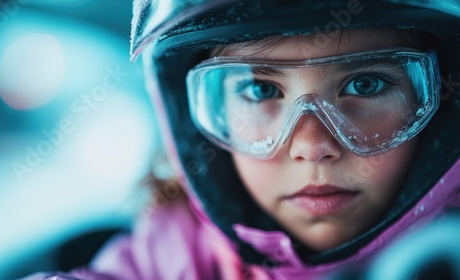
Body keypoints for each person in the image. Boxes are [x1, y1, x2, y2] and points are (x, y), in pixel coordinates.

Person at [26, 0, 460, 279]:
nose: (311, 146)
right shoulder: (173, 256)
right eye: (261, 91)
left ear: (441, 102)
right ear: (198, 122)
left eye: (365, 85)